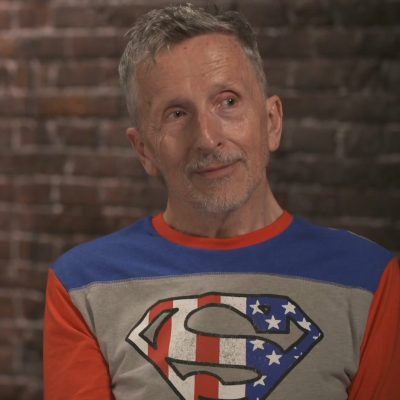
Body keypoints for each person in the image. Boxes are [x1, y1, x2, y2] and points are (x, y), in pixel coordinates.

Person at [43, 4, 400, 400]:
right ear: (143, 150)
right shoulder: (82, 286)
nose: (208, 138)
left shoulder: (370, 279)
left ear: (272, 122)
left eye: (228, 102)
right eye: (177, 113)